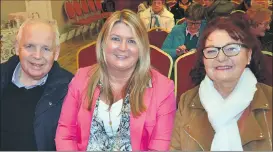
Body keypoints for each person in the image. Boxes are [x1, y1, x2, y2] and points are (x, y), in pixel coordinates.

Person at [55, 9, 176, 151]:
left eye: (131, 41)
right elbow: (65, 135)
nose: (123, 48)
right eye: (115, 39)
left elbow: (160, 145)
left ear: (142, 48)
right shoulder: (81, 78)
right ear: (103, 42)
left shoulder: (163, 89)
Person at [170, 16, 272, 150]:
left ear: (248, 55)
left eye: (231, 49)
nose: (221, 58)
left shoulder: (269, 99)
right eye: (212, 51)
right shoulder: (187, 102)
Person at [0, 19, 73, 150]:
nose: (37, 55)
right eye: (30, 46)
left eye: (46, 48)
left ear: (56, 53)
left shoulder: (70, 89)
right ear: (17, 47)